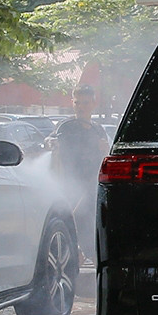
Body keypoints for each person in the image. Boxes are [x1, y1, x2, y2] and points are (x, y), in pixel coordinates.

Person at [51, 84, 110, 263]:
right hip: (70, 183)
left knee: (90, 222)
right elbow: (51, 140)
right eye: (77, 103)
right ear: (72, 103)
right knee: (72, 218)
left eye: (85, 103)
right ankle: (77, 253)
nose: (80, 107)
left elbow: (105, 155)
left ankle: (89, 256)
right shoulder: (65, 126)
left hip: (92, 184)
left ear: (93, 104)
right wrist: (50, 143)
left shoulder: (98, 129)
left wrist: (104, 148)